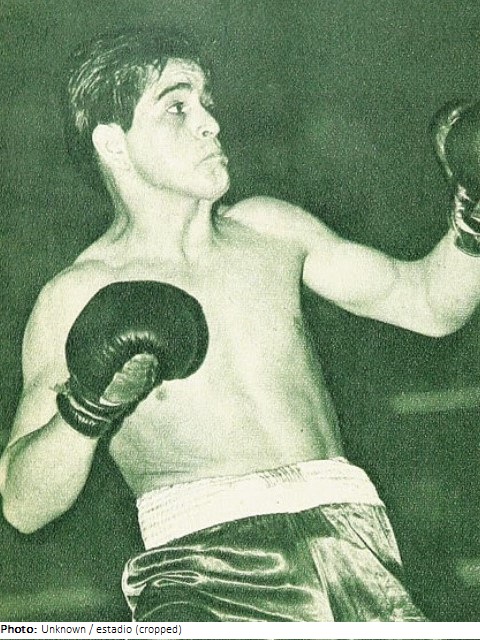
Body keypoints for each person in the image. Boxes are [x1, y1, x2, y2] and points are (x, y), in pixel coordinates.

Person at [1, 28, 479, 622]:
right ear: (113, 144)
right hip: (208, 574)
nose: (210, 123)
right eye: (177, 107)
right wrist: (87, 408)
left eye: (206, 102)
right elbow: (22, 504)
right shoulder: (76, 294)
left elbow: (429, 305)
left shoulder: (271, 230)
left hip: (359, 548)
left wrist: (473, 215)